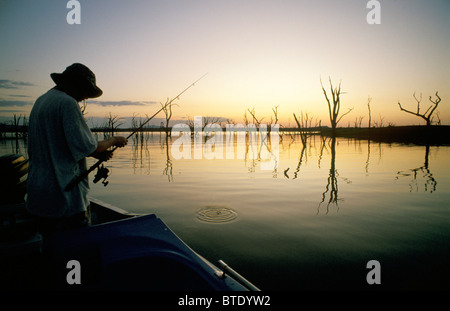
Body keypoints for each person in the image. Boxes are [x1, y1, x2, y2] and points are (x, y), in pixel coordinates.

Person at [26, 63, 127, 234]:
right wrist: (114, 140)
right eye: (85, 91)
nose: (84, 98)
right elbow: (92, 148)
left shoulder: (41, 101)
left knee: (51, 251)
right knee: (77, 253)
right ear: (75, 84)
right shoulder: (67, 103)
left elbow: (60, 146)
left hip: (38, 197)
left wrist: (96, 155)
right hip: (64, 200)